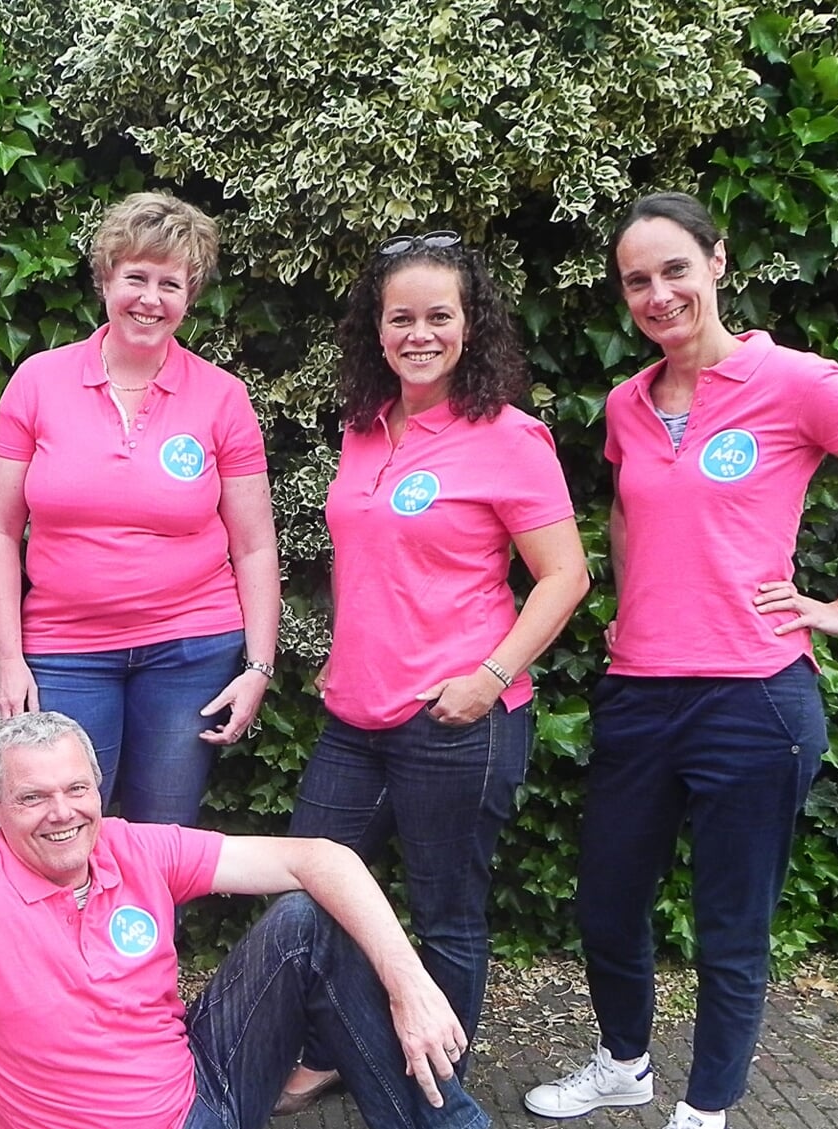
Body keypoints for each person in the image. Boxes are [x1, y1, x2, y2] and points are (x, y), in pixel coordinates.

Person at [522, 193, 838, 1129]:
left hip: (755, 697)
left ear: (718, 263)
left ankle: (707, 1107)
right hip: (641, 690)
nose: (657, 293)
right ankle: (624, 1064)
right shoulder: (626, 402)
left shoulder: (796, 382)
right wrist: (632, 604)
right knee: (607, 904)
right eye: (637, 279)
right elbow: (630, 509)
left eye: (674, 269)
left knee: (730, 927)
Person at [278, 233, 590, 1113]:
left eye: (439, 316)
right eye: (401, 316)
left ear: (471, 325)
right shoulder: (364, 427)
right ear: (376, 330)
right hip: (356, 712)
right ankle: (334, 1046)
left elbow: (565, 574)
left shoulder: (510, 437)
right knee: (315, 887)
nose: (420, 333)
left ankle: (433, 1085)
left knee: (447, 916)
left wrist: (489, 675)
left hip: (459, 716)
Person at [0, 711, 490, 1129]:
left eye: (75, 788)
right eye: (32, 796)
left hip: (201, 1078)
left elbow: (320, 858)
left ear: (97, 789)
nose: (61, 812)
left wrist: (411, 984)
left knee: (305, 919)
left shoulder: (130, 846)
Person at [0, 191, 279, 827]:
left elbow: (253, 544)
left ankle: (154, 932)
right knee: (56, 829)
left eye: (170, 283)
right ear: (105, 280)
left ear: (190, 296)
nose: (150, 298)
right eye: (135, 277)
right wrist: (9, 659)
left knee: (161, 836)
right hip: (64, 649)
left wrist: (257, 665)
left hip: (191, 652)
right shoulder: (36, 382)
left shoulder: (223, 398)